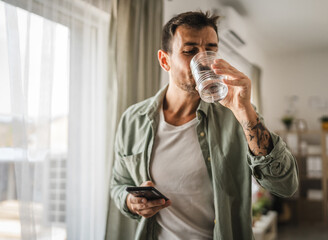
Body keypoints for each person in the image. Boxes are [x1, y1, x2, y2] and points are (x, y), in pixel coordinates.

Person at [110, 11, 298, 240]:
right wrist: (131, 202)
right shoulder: (133, 120)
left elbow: (285, 185)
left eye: (210, 50)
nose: (204, 59)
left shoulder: (236, 114)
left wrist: (245, 112)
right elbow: (119, 184)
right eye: (190, 51)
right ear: (164, 60)